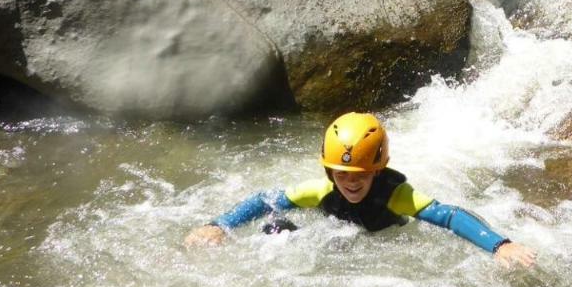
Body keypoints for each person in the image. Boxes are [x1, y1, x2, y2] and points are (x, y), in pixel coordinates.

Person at [184, 112, 537, 268]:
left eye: (361, 175)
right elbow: (266, 200)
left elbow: (448, 216)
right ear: (329, 171)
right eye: (341, 174)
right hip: (333, 238)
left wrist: (500, 245)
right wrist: (220, 224)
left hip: (384, 244)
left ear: (377, 171)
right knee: (274, 229)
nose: (350, 182)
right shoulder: (320, 190)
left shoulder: (396, 195)